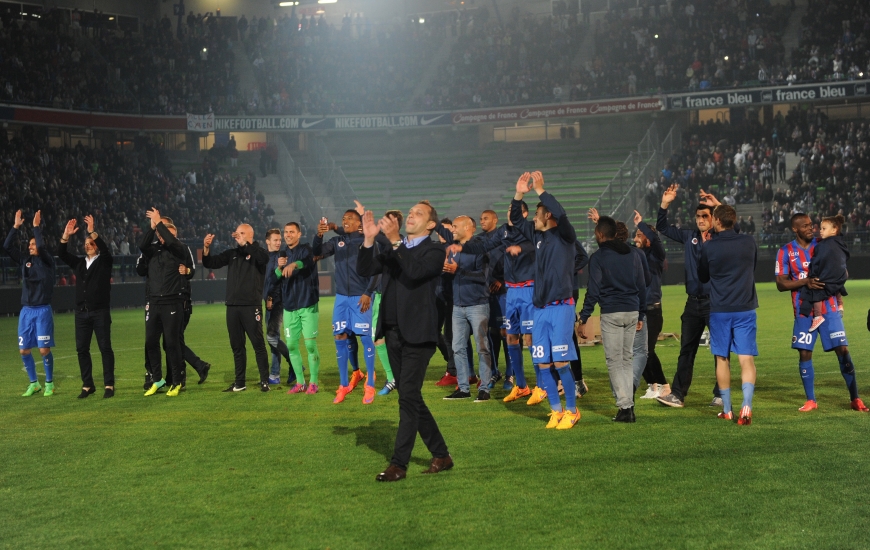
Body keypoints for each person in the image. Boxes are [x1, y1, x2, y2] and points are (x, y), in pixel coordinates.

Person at [452, 172, 580, 428]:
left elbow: (560, 215)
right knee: (543, 361)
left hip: (561, 307)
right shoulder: (539, 237)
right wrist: (518, 193)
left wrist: (540, 190)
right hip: (539, 305)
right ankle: (555, 410)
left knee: (561, 362)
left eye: (536, 215)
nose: (533, 219)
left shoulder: (564, 236)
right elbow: (515, 223)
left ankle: (573, 410)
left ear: (548, 217)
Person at [357, 202, 452, 482]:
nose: (411, 215)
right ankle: (441, 454)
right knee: (410, 397)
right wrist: (369, 239)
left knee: (408, 397)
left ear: (431, 225)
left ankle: (399, 464)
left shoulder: (434, 250)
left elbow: (415, 272)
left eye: (418, 213)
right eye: (410, 212)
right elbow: (365, 269)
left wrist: (396, 241)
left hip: (420, 334)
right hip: (393, 332)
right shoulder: (392, 247)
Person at [775, 214, 868, 412]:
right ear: (795, 229)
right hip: (803, 309)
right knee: (804, 352)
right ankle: (811, 400)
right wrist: (805, 282)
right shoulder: (785, 251)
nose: (812, 228)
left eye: (812, 225)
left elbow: (842, 269)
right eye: (806, 226)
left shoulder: (824, 244)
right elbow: (781, 283)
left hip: (829, 307)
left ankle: (855, 398)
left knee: (842, 349)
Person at [458, 203, 537, 403]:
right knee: (510, 337)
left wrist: (522, 247)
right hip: (511, 291)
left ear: (524, 214)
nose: (510, 212)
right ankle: (521, 386)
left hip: (528, 289)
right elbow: (485, 247)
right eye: (509, 209)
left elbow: (535, 243)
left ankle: (542, 386)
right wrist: (461, 244)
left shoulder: (531, 229)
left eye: (515, 210)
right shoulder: (503, 231)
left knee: (529, 339)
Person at [655, 185, 722, 408]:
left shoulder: (721, 237)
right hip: (692, 303)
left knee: (720, 350)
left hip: (715, 302)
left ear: (713, 218)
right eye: (698, 216)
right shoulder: (689, 237)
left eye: (705, 216)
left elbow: (735, 228)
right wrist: (665, 203)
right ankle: (677, 394)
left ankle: (721, 394)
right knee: (687, 350)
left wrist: (719, 206)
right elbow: (662, 227)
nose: (701, 219)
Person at [578, 216, 646, 422]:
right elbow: (642, 285)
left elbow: (594, 289)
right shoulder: (633, 254)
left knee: (615, 362)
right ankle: (629, 406)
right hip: (632, 310)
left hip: (612, 312)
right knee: (626, 360)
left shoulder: (599, 257)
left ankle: (625, 407)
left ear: (599, 234)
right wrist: (641, 313)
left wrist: (585, 316)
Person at [698, 205, 758, 425]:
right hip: (745, 307)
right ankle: (747, 405)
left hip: (720, 310)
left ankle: (728, 409)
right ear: (735, 220)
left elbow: (703, 276)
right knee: (746, 358)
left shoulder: (709, 247)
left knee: (722, 359)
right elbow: (752, 267)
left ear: (716, 221)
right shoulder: (749, 242)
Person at [313, 210, 377, 404]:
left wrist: (368, 293)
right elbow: (317, 253)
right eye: (343, 219)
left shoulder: (367, 241)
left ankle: (370, 384)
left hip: (361, 296)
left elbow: (377, 271)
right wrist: (319, 235)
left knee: (365, 337)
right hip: (341, 298)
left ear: (359, 223)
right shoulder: (337, 242)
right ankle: (343, 385)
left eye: (350, 218)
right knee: (340, 335)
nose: (345, 221)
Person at [203, 224, 271, 393]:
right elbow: (210, 262)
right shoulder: (232, 254)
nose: (237, 236)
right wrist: (206, 248)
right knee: (237, 346)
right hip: (232, 306)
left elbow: (264, 259)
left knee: (258, 344)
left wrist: (245, 245)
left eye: (242, 233)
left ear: (250, 235)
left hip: (250, 306)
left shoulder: (259, 252)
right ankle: (239, 382)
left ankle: (264, 380)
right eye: (237, 233)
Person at [58, 215, 116, 398]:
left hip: (100, 312)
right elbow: (62, 254)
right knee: (82, 349)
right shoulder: (80, 263)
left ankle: (109, 385)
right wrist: (66, 235)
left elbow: (106, 251)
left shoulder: (104, 262)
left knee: (105, 347)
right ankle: (88, 384)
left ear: (97, 245)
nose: (87, 244)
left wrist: (92, 231)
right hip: (81, 312)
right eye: (86, 242)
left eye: (91, 242)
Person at [139, 208, 192, 397]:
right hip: (154, 302)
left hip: (172, 301)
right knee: (150, 342)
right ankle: (158, 379)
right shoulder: (153, 250)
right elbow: (142, 246)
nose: (162, 237)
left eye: (164, 233)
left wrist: (160, 224)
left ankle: (177, 382)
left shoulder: (179, 249)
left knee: (171, 343)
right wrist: (152, 227)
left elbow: (171, 241)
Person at [4, 210, 56, 397]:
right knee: (24, 350)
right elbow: (7, 247)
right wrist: (15, 227)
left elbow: (41, 247)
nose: (31, 246)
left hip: (42, 310)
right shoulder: (25, 261)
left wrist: (35, 227)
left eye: (34, 243)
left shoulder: (48, 261)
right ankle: (34, 383)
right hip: (26, 311)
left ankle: (49, 383)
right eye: (30, 244)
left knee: (43, 349)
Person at [442, 215, 493, 402]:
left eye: (455, 226)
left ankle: (485, 388)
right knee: (457, 348)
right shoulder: (453, 250)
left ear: (467, 228)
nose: (452, 229)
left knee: (482, 347)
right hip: (458, 305)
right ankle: (463, 388)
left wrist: (458, 271)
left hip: (478, 303)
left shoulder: (479, 249)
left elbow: (483, 276)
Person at [275, 222, 321, 394]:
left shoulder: (306, 249)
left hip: (308, 304)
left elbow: (309, 261)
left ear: (299, 234)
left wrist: (294, 265)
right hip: (289, 307)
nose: (288, 235)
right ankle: (300, 383)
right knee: (292, 346)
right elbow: (274, 279)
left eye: (291, 232)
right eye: (286, 232)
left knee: (310, 346)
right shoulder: (281, 255)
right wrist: (280, 268)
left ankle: (314, 382)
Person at [633, 210, 669, 399]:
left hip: (653, 311)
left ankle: (665, 385)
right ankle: (652, 386)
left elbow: (656, 242)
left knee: (648, 350)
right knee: (639, 351)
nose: (636, 237)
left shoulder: (655, 256)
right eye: (635, 234)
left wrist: (641, 224)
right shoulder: (635, 255)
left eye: (640, 235)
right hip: (639, 310)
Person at [799, 215, 848, 332]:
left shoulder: (823, 245)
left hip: (831, 275)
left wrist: (812, 275)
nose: (820, 231)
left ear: (834, 230)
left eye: (824, 228)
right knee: (836, 282)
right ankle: (840, 304)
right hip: (842, 274)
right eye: (820, 228)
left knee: (816, 286)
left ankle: (818, 315)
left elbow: (817, 261)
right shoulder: (840, 243)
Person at [263, 228, 295, 385]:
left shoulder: (281, 257)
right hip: (268, 301)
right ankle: (274, 374)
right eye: (275, 240)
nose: (278, 242)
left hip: (278, 301)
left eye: (279, 240)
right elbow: (265, 281)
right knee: (273, 338)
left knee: (271, 336)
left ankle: (294, 365)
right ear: (267, 241)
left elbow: (276, 281)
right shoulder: (264, 257)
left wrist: (269, 297)